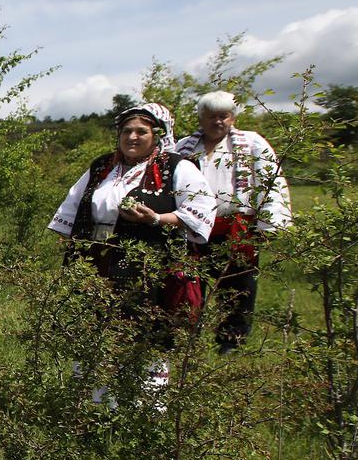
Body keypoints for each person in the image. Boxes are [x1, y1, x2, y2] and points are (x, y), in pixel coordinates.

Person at [48, 102, 215, 390]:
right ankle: (94, 400)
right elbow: (74, 203)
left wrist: (156, 218)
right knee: (94, 325)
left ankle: (147, 404)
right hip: (96, 261)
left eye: (141, 131)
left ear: (157, 136)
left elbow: (201, 208)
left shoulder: (176, 167)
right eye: (126, 131)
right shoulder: (102, 166)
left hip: (147, 267)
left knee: (146, 329)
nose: (132, 137)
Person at [170, 91, 292, 350]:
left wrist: (269, 223)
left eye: (224, 116)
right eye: (211, 117)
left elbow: (271, 182)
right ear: (201, 119)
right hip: (194, 226)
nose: (218, 122)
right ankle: (187, 337)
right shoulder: (184, 147)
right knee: (189, 282)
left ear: (233, 118)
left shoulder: (252, 143)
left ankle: (231, 339)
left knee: (238, 283)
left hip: (236, 225)